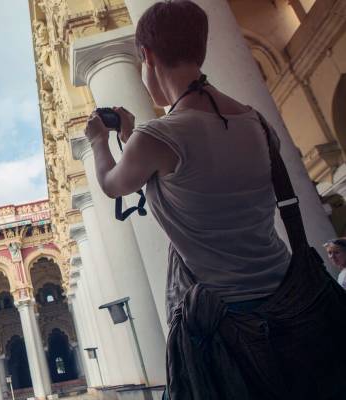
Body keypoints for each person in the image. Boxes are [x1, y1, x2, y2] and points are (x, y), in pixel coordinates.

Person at [84, 1, 346, 399]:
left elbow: (110, 183)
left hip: (223, 327)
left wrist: (99, 141)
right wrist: (131, 137)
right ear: (201, 49)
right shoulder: (256, 121)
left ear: (147, 56)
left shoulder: (157, 138)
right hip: (293, 301)